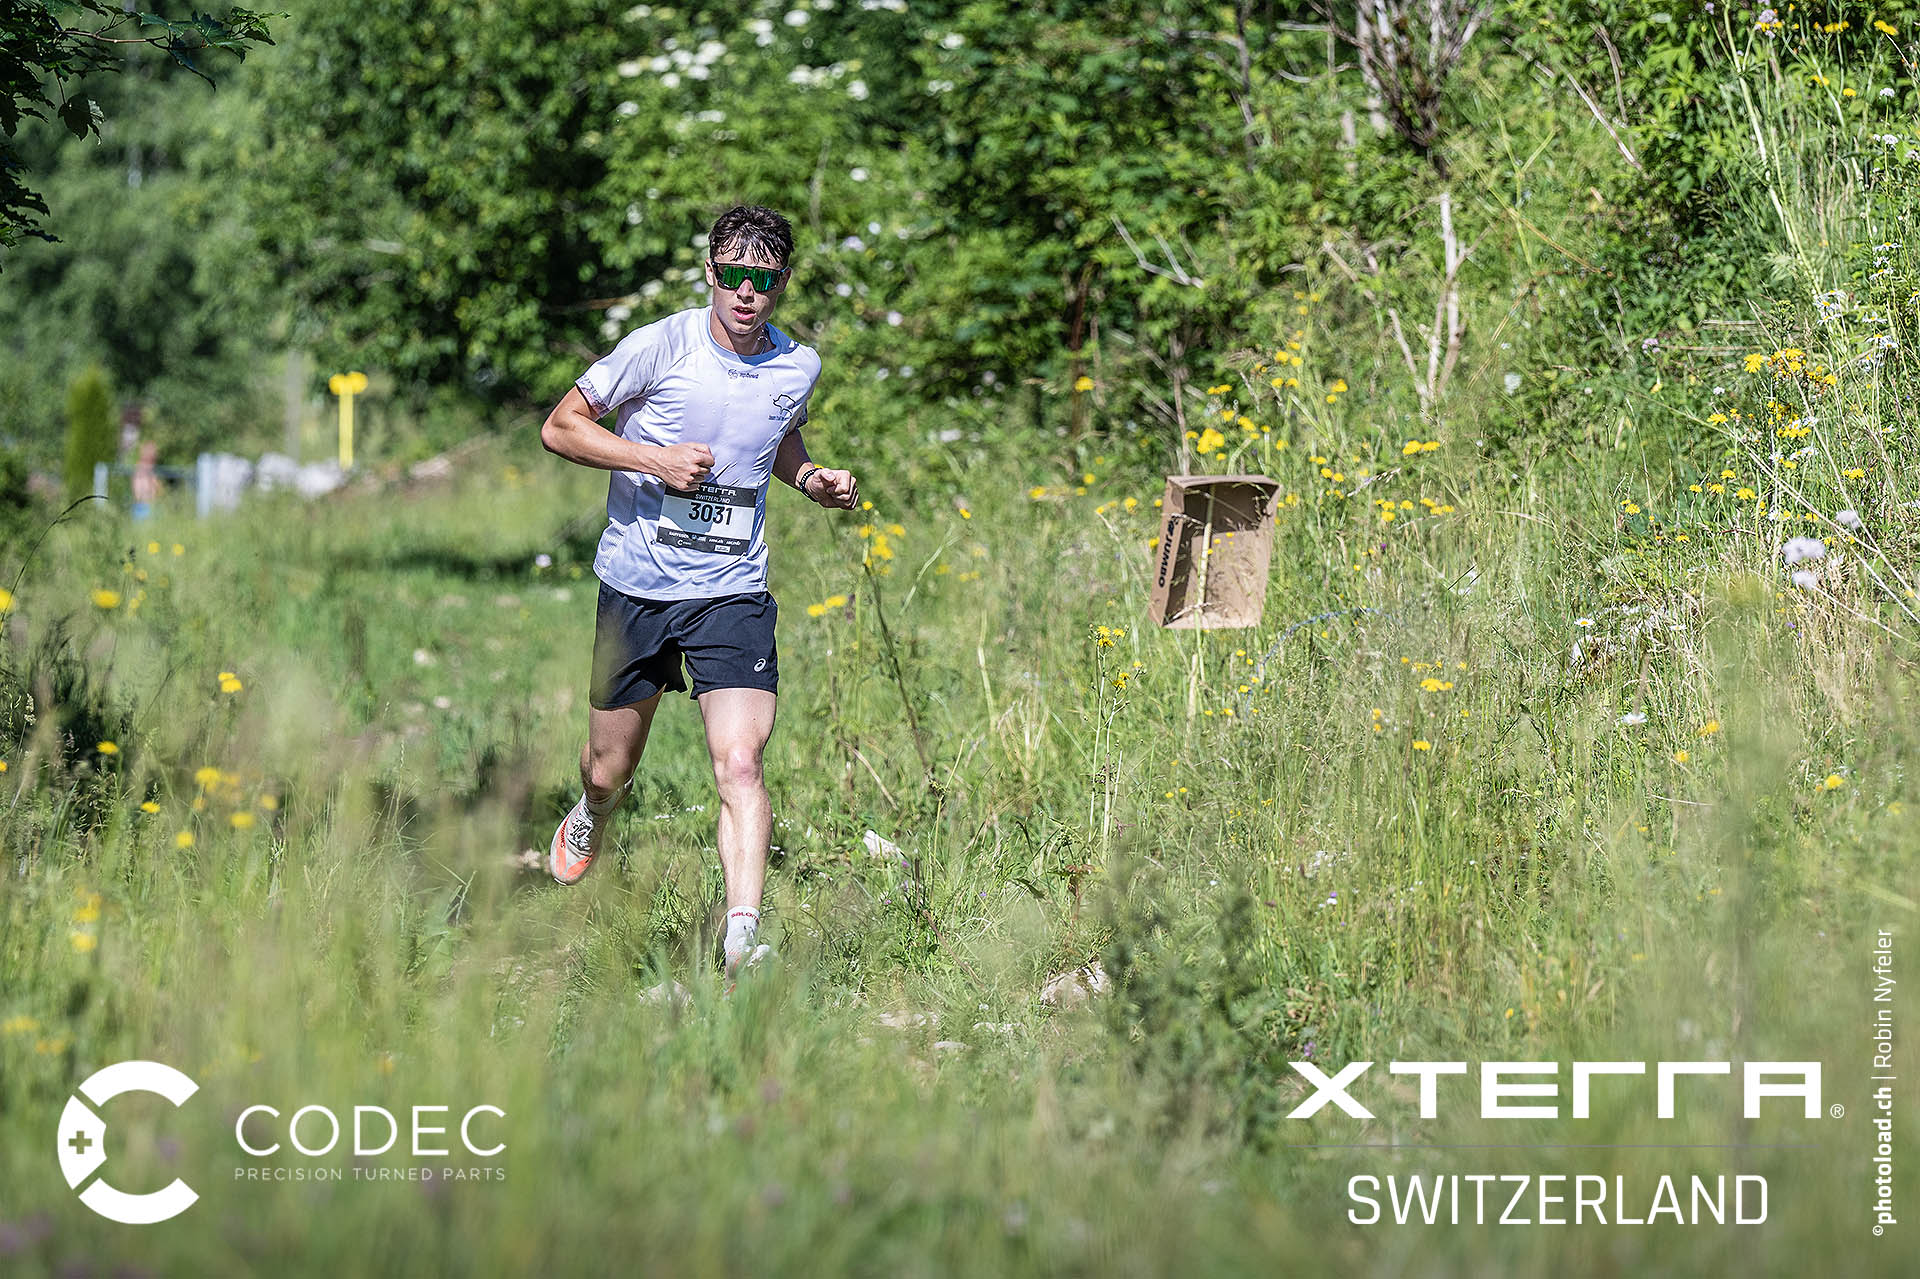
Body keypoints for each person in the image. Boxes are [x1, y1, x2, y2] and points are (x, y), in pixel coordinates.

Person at [538, 205, 858, 980]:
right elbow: (560, 426)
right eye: (734, 274)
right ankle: (593, 811)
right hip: (638, 587)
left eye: (764, 279)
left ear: (782, 284)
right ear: (711, 272)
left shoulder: (798, 366)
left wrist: (811, 478)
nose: (747, 292)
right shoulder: (660, 346)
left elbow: (777, 437)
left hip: (732, 589)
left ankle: (742, 938)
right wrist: (654, 460)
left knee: (741, 762)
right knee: (609, 768)